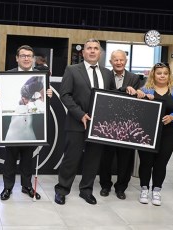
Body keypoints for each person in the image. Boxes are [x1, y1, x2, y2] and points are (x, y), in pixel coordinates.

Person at [54, 38, 112, 205]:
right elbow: (65, 95)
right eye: (89, 48)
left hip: (99, 125)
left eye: (96, 48)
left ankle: (86, 190)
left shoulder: (107, 73)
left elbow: (111, 97)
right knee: (71, 158)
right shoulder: (72, 70)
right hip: (76, 122)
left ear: (100, 53)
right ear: (83, 52)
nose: (92, 51)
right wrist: (80, 114)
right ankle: (62, 190)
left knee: (93, 159)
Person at [0, 45, 52, 201]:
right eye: (23, 55)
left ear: (33, 58)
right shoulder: (7, 76)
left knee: (28, 158)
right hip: (14, 125)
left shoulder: (41, 76)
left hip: (30, 125)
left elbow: (44, 102)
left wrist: (48, 94)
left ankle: (27, 186)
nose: (26, 58)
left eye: (29, 56)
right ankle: (7, 187)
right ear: (17, 58)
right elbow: (1, 97)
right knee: (10, 158)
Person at [136, 62, 173, 206]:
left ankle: (156, 190)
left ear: (169, 74)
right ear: (153, 74)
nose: (162, 75)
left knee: (161, 162)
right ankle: (144, 189)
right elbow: (139, 109)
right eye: (159, 73)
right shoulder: (146, 89)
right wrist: (142, 98)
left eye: (165, 73)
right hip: (147, 132)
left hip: (169, 132)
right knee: (146, 162)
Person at [99, 49, 141, 199]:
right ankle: (105, 185)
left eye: (121, 60)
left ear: (126, 61)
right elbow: (107, 94)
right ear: (111, 62)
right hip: (108, 123)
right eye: (115, 60)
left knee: (125, 158)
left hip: (127, 125)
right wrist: (123, 89)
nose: (119, 62)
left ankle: (121, 187)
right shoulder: (104, 75)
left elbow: (135, 98)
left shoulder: (134, 77)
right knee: (106, 157)